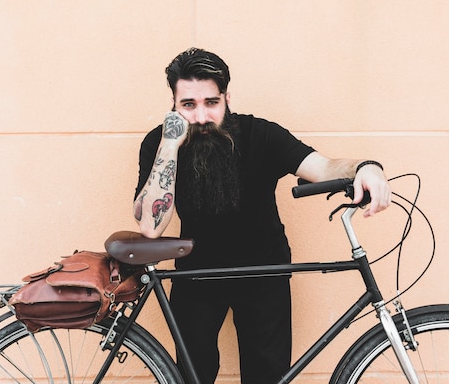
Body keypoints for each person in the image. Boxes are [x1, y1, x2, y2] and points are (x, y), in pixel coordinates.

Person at [134, 48, 391, 384]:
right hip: (195, 277)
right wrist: (170, 146)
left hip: (263, 274)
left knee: (266, 378)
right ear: (174, 104)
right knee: (190, 378)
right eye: (188, 105)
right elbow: (150, 228)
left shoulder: (262, 135)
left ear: (227, 97)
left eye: (211, 102)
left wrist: (366, 167)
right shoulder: (160, 142)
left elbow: (323, 166)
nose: (200, 116)